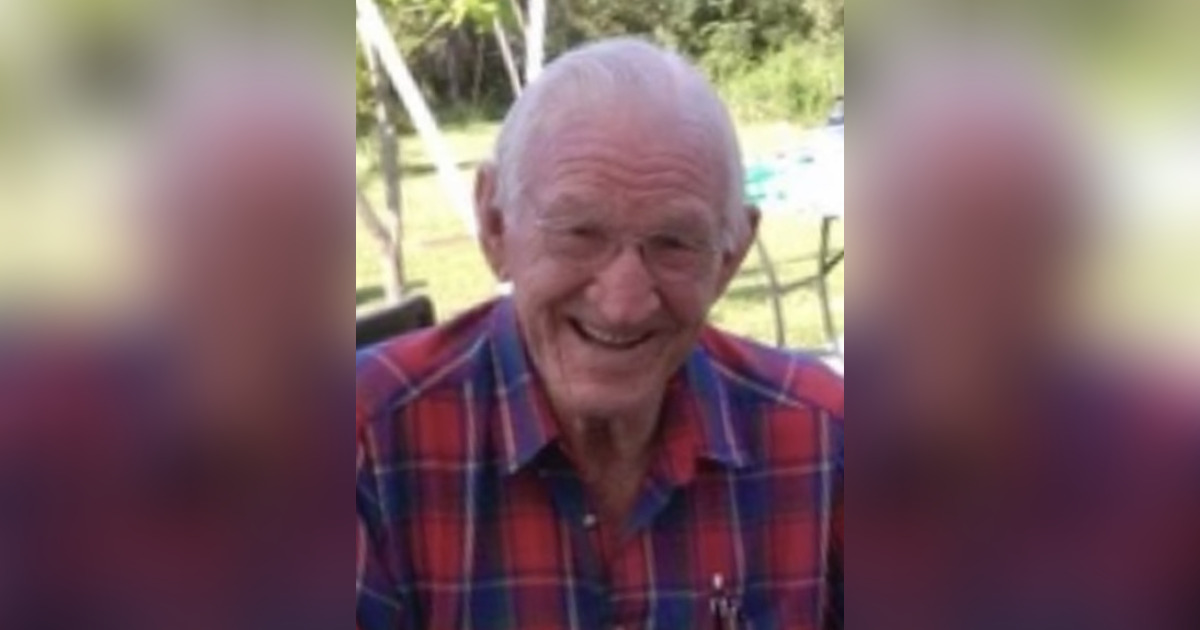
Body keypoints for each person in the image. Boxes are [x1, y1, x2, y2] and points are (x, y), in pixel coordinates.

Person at [356, 38, 845, 629]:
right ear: (494, 225)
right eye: (579, 232)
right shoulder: (360, 448)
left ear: (730, 256)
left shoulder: (828, 442)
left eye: (674, 243)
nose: (622, 304)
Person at [857, 37, 1200, 630]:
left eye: (1017, 234)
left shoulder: (1168, 458)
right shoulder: (830, 439)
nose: (974, 272)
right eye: (942, 225)